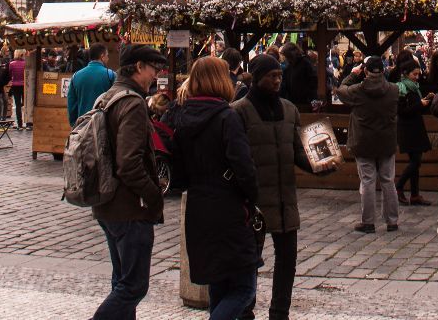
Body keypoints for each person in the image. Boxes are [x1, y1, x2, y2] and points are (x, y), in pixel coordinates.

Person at [232, 53, 325, 320]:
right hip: (253, 204)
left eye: (279, 76)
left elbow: (298, 151)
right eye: (272, 76)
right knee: (249, 263)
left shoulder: (289, 109)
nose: (277, 80)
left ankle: (279, 312)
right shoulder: (238, 111)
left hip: (285, 200)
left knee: (288, 261)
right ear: (258, 77)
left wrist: (318, 166)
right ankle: (245, 310)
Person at [168, 56, 261, 320]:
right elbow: (244, 167)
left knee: (219, 285)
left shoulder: (180, 115)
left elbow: (178, 173)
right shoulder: (226, 117)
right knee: (244, 289)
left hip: (198, 208)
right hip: (229, 210)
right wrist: (252, 198)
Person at [89, 44, 169, 320]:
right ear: (138, 67)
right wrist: (154, 194)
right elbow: (129, 163)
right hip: (130, 208)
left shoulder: (107, 97)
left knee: (121, 281)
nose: (155, 76)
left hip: (107, 203)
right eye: (153, 69)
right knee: (133, 286)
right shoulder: (133, 103)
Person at [335, 54, 400, 234]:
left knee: (368, 181)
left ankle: (368, 222)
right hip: (386, 142)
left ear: (365, 71)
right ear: (384, 70)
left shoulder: (357, 90)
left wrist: (353, 74)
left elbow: (340, 89)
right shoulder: (393, 90)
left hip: (363, 142)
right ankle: (392, 221)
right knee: (388, 181)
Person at [393, 55, 433, 207]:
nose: (417, 77)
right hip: (407, 128)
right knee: (415, 161)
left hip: (416, 127)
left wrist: (427, 101)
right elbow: (402, 111)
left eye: (418, 74)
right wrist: (419, 104)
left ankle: (415, 195)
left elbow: (417, 108)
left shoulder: (415, 88)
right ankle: (399, 185)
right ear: (406, 74)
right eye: (414, 74)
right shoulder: (402, 88)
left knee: (416, 162)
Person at [68, 43, 116, 126]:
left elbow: (71, 103)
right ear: (102, 56)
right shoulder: (111, 75)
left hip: (82, 126)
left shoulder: (76, 76)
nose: (108, 59)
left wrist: (74, 124)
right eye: (107, 56)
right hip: (104, 126)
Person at [8, 49, 27, 130]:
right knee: (25, 104)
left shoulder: (11, 64)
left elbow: (10, 75)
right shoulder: (25, 64)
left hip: (15, 85)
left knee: (17, 105)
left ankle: (20, 124)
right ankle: (28, 122)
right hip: (24, 85)